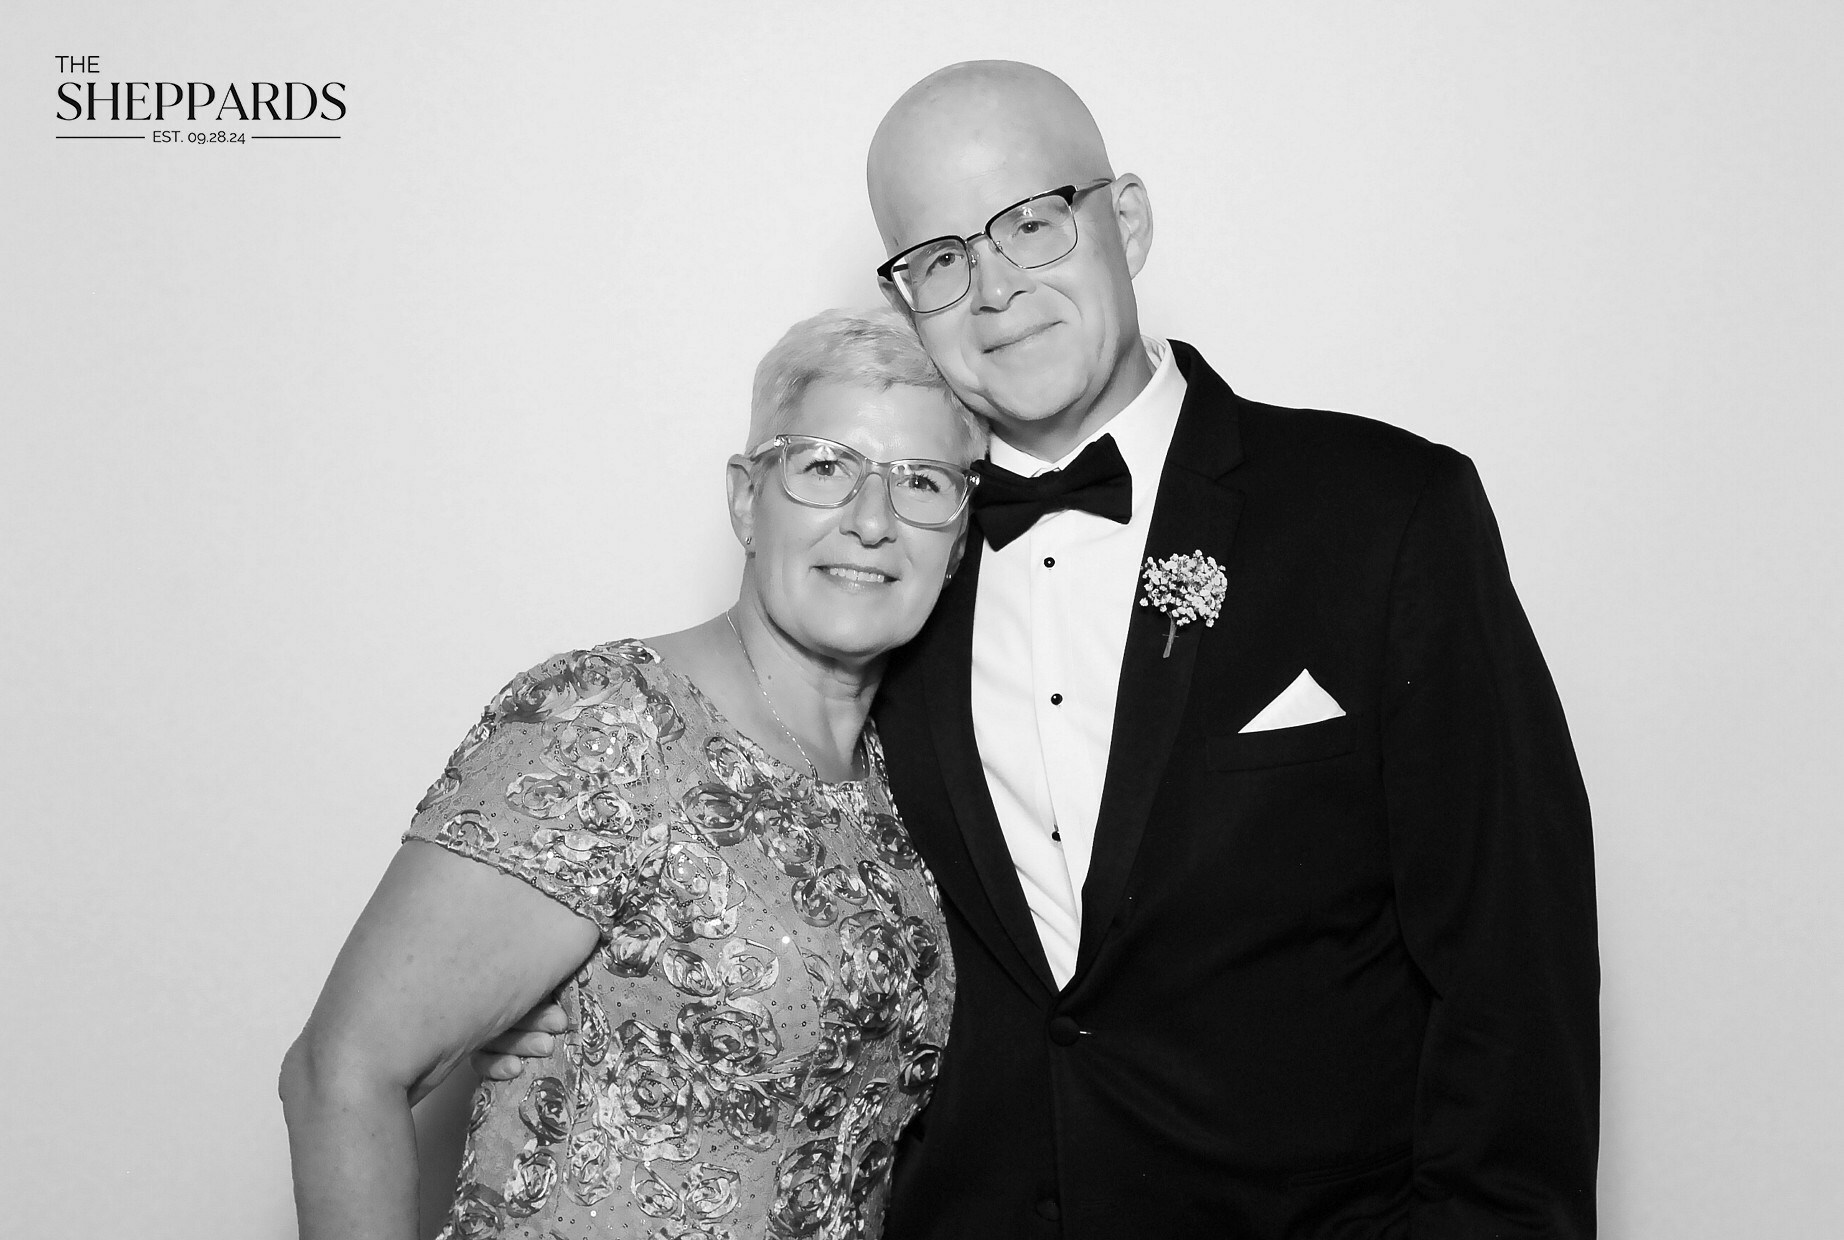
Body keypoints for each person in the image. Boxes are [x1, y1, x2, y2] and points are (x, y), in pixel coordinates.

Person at [484, 60, 1600, 1239]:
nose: (994, 289)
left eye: (1029, 222)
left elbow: (1511, 968)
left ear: (1126, 221)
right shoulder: (880, 567)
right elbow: (767, 856)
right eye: (939, 258)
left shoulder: (1381, 513)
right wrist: (584, 1003)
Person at [279, 306, 985, 1240]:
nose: (871, 521)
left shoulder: (902, 783)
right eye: (825, 467)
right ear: (747, 499)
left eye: (922, 482)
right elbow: (338, 1073)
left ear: (958, 541)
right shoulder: (610, 720)